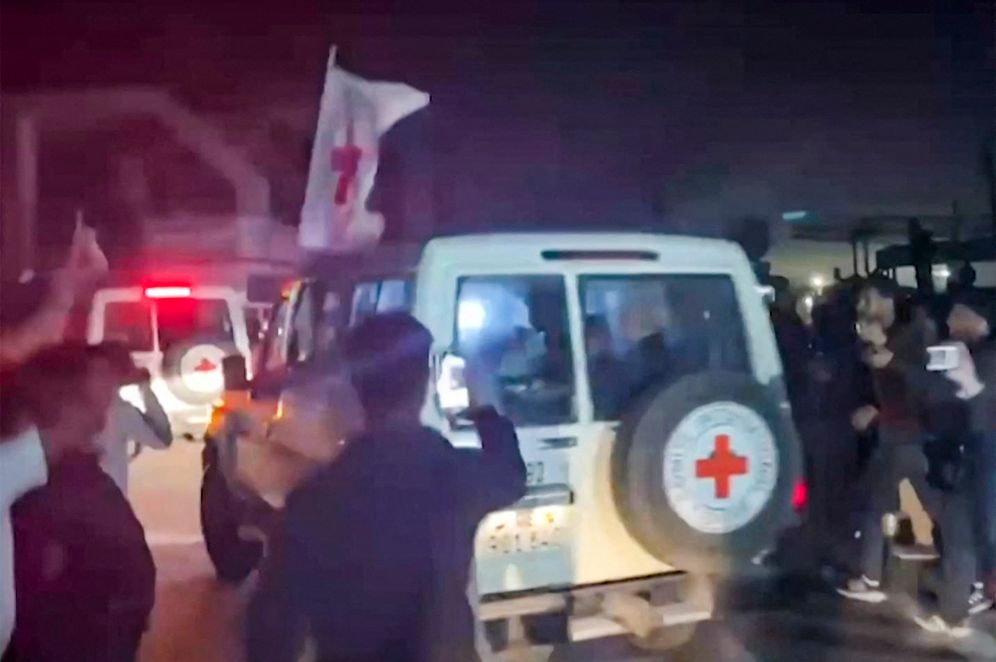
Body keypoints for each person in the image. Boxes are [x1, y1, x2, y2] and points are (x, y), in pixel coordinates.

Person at [248, 312, 526, 662]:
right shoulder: (454, 474)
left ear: (354, 386)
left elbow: (272, 632)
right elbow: (511, 475)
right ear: (425, 384)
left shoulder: (314, 500)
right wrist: (485, 407)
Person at [8, 345, 156, 662]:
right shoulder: (44, 492)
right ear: (67, 405)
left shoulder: (71, 477)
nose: (107, 392)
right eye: (99, 380)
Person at [839, 278, 939, 603]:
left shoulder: (915, 333)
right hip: (893, 433)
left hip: (910, 434)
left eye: (867, 300)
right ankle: (872, 576)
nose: (861, 308)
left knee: (936, 507)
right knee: (875, 501)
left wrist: (887, 354)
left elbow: (923, 385)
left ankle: (965, 576)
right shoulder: (885, 337)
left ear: (886, 300)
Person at [86, 343, 172, 494]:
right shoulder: (121, 412)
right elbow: (162, 438)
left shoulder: (67, 406)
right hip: (108, 502)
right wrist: (146, 389)